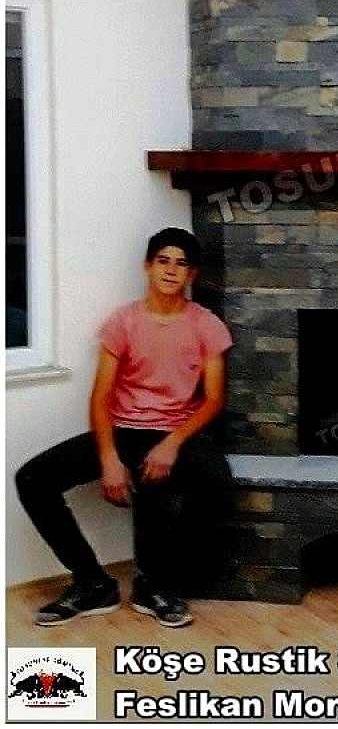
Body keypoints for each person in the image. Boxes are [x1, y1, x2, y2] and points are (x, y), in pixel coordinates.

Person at [15, 227, 235, 628]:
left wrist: (172, 444)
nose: (171, 270)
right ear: (148, 266)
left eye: (181, 264)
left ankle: (155, 585)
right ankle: (92, 583)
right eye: (163, 261)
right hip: (125, 429)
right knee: (32, 478)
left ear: (191, 275)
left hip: (174, 432)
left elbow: (214, 399)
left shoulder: (206, 325)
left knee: (215, 479)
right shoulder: (124, 321)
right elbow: (101, 396)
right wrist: (109, 459)